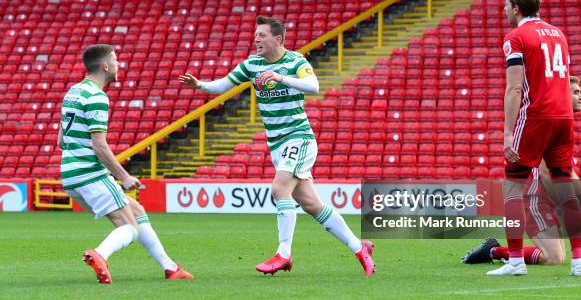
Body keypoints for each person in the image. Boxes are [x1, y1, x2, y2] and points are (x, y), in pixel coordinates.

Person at [179, 16, 375, 276]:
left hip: (299, 137)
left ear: (278, 39)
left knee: (279, 189)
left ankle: (283, 253)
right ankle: (359, 247)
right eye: (255, 35)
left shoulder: (295, 61)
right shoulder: (252, 64)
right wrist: (200, 85)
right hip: (277, 145)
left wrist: (282, 78)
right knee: (312, 205)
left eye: (261, 35)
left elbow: (313, 86)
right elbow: (225, 84)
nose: (256, 40)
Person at [59, 44, 192, 284]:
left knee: (137, 212)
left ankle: (170, 268)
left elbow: (60, 140)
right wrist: (124, 176)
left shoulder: (73, 92)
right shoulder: (97, 96)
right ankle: (99, 254)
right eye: (116, 60)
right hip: (90, 173)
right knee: (130, 228)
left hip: (69, 174)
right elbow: (99, 145)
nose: (119, 65)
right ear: (105, 65)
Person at [490, 0, 581, 276]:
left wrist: (508, 133)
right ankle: (579, 262)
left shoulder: (516, 37)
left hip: (536, 117)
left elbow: (514, 87)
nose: (504, 10)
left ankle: (516, 261)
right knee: (565, 188)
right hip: (564, 119)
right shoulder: (559, 34)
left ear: (517, 8)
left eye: (506, 5)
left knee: (511, 186)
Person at [463, 76, 581, 266]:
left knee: (557, 257)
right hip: (534, 198)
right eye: (576, 92)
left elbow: (566, 170)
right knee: (553, 258)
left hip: (545, 200)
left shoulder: (563, 123)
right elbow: (548, 172)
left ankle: (496, 250)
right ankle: (495, 251)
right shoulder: (550, 123)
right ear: (562, 95)